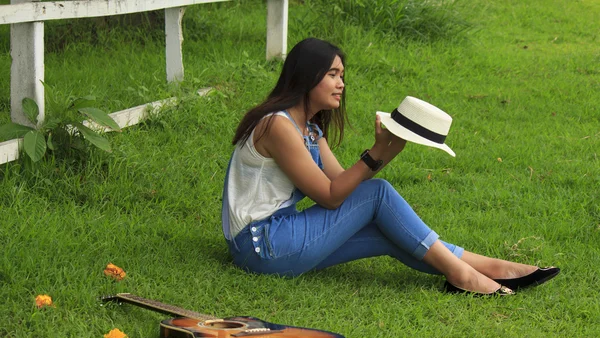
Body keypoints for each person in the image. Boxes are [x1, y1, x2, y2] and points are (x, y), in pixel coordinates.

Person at [221, 37, 559, 296]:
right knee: (378, 194)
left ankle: (494, 268)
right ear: (307, 78)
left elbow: (340, 181)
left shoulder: (309, 128)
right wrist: (376, 152)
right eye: (332, 74)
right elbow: (331, 196)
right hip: (260, 245)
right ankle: (464, 276)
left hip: (279, 238)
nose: (342, 83)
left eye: (342, 75)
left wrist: (388, 149)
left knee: (389, 230)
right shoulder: (277, 126)